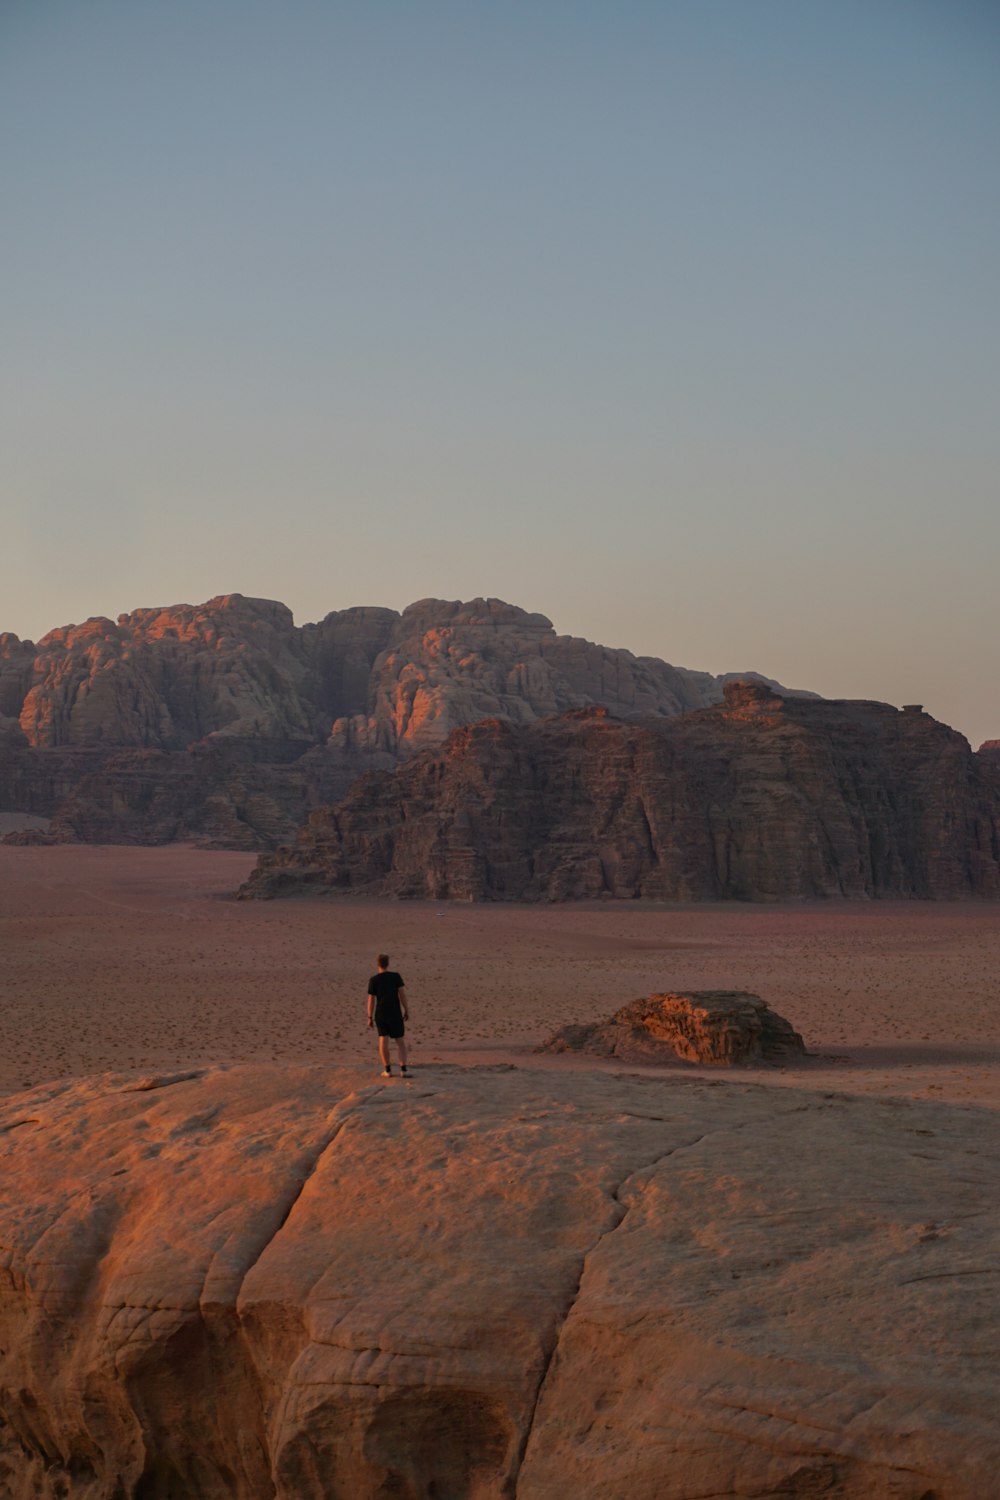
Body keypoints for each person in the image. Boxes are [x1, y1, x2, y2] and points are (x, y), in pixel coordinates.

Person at [367, 954, 410, 1077]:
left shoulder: (374, 980)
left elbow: (371, 1000)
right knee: (400, 1041)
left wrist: (369, 1017)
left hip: (381, 1013)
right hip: (395, 1012)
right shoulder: (395, 977)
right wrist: (406, 1010)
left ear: (377, 964)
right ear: (388, 963)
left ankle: (388, 1070)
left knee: (383, 1040)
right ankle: (404, 1070)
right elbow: (402, 994)